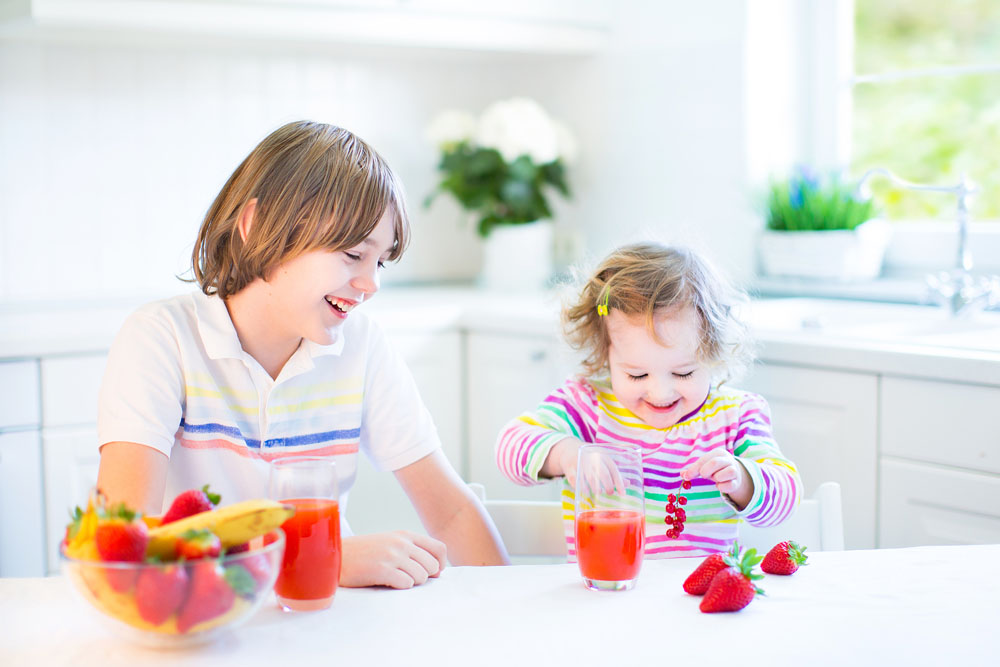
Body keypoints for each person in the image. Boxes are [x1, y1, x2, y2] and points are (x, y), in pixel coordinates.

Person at [96, 120, 509, 588]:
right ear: (256, 226)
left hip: (326, 615)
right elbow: (124, 544)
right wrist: (322, 559)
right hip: (199, 617)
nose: (371, 283)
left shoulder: (362, 346)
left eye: (380, 261)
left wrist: (511, 615)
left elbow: (452, 513)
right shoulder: (162, 338)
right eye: (353, 254)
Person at [495, 243, 802, 559]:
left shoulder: (734, 416)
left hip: (702, 589)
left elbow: (787, 495)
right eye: (637, 375)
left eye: (683, 373)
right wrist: (566, 454)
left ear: (712, 352)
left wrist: (743, 479)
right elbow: (509, 445)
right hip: (606, 585)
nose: (660, 393)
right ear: (605, 353)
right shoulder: (587, 405)